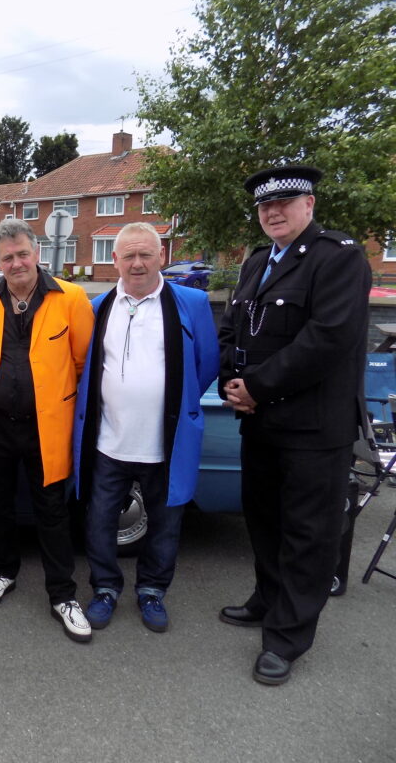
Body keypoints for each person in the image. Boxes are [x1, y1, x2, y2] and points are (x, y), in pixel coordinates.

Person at [218, 164, 371, 685]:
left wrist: (255, 387)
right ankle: (268, 599)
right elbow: (232, 329)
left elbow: (327, 339)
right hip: (260, 424)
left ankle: (287, 637)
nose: (273, 212)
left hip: (313, 428)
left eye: (284, 202)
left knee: (308, 533)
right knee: (264, 521)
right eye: (265, 206)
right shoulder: (257, 262)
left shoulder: (339, 257)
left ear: (309, 205)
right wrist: (229, 382)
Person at [72, 222, 219, 634]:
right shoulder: (99, 306)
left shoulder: (191, 302)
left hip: (166, 442)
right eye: (128, 256)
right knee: (98, 521)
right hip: (108, 442)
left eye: (146, 255)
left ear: (162, 257)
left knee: (166, 523)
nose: (137, 263)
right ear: (115, 260)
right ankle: (104, 589)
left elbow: (206, 363)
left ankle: (152, 591)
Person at [0, 218, 95, 642]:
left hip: (46, 426)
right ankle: (3, 571)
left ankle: (62, 594)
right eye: (8, 257)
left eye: (23, 254)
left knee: (52, 510)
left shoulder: (71, 298)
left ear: (36, 253)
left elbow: (81, 363)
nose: (17, 263)